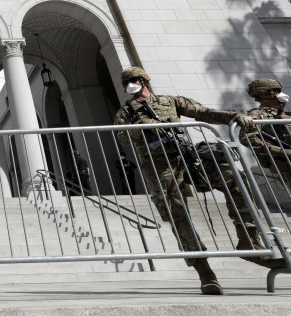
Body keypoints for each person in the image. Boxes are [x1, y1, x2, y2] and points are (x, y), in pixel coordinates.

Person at [113, 66, 280, 296]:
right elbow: (121, 136)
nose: (130, 85)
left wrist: (234, 117)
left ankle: (249, 240)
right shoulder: (126, 112)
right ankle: (205, 272)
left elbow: (202, 112)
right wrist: (138, 128)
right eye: (127, 83)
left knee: (235, 179)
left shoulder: (169, 101)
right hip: (159, 164)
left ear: (144, 80)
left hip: (189, 156)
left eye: (133, 80)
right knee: (176, 211)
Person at [241, 78, 291, 220]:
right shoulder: (258, 115)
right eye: (276, 91)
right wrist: (283, 151)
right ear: (266, 93)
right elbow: (247, 138)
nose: (280, 93)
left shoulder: (287, 115)